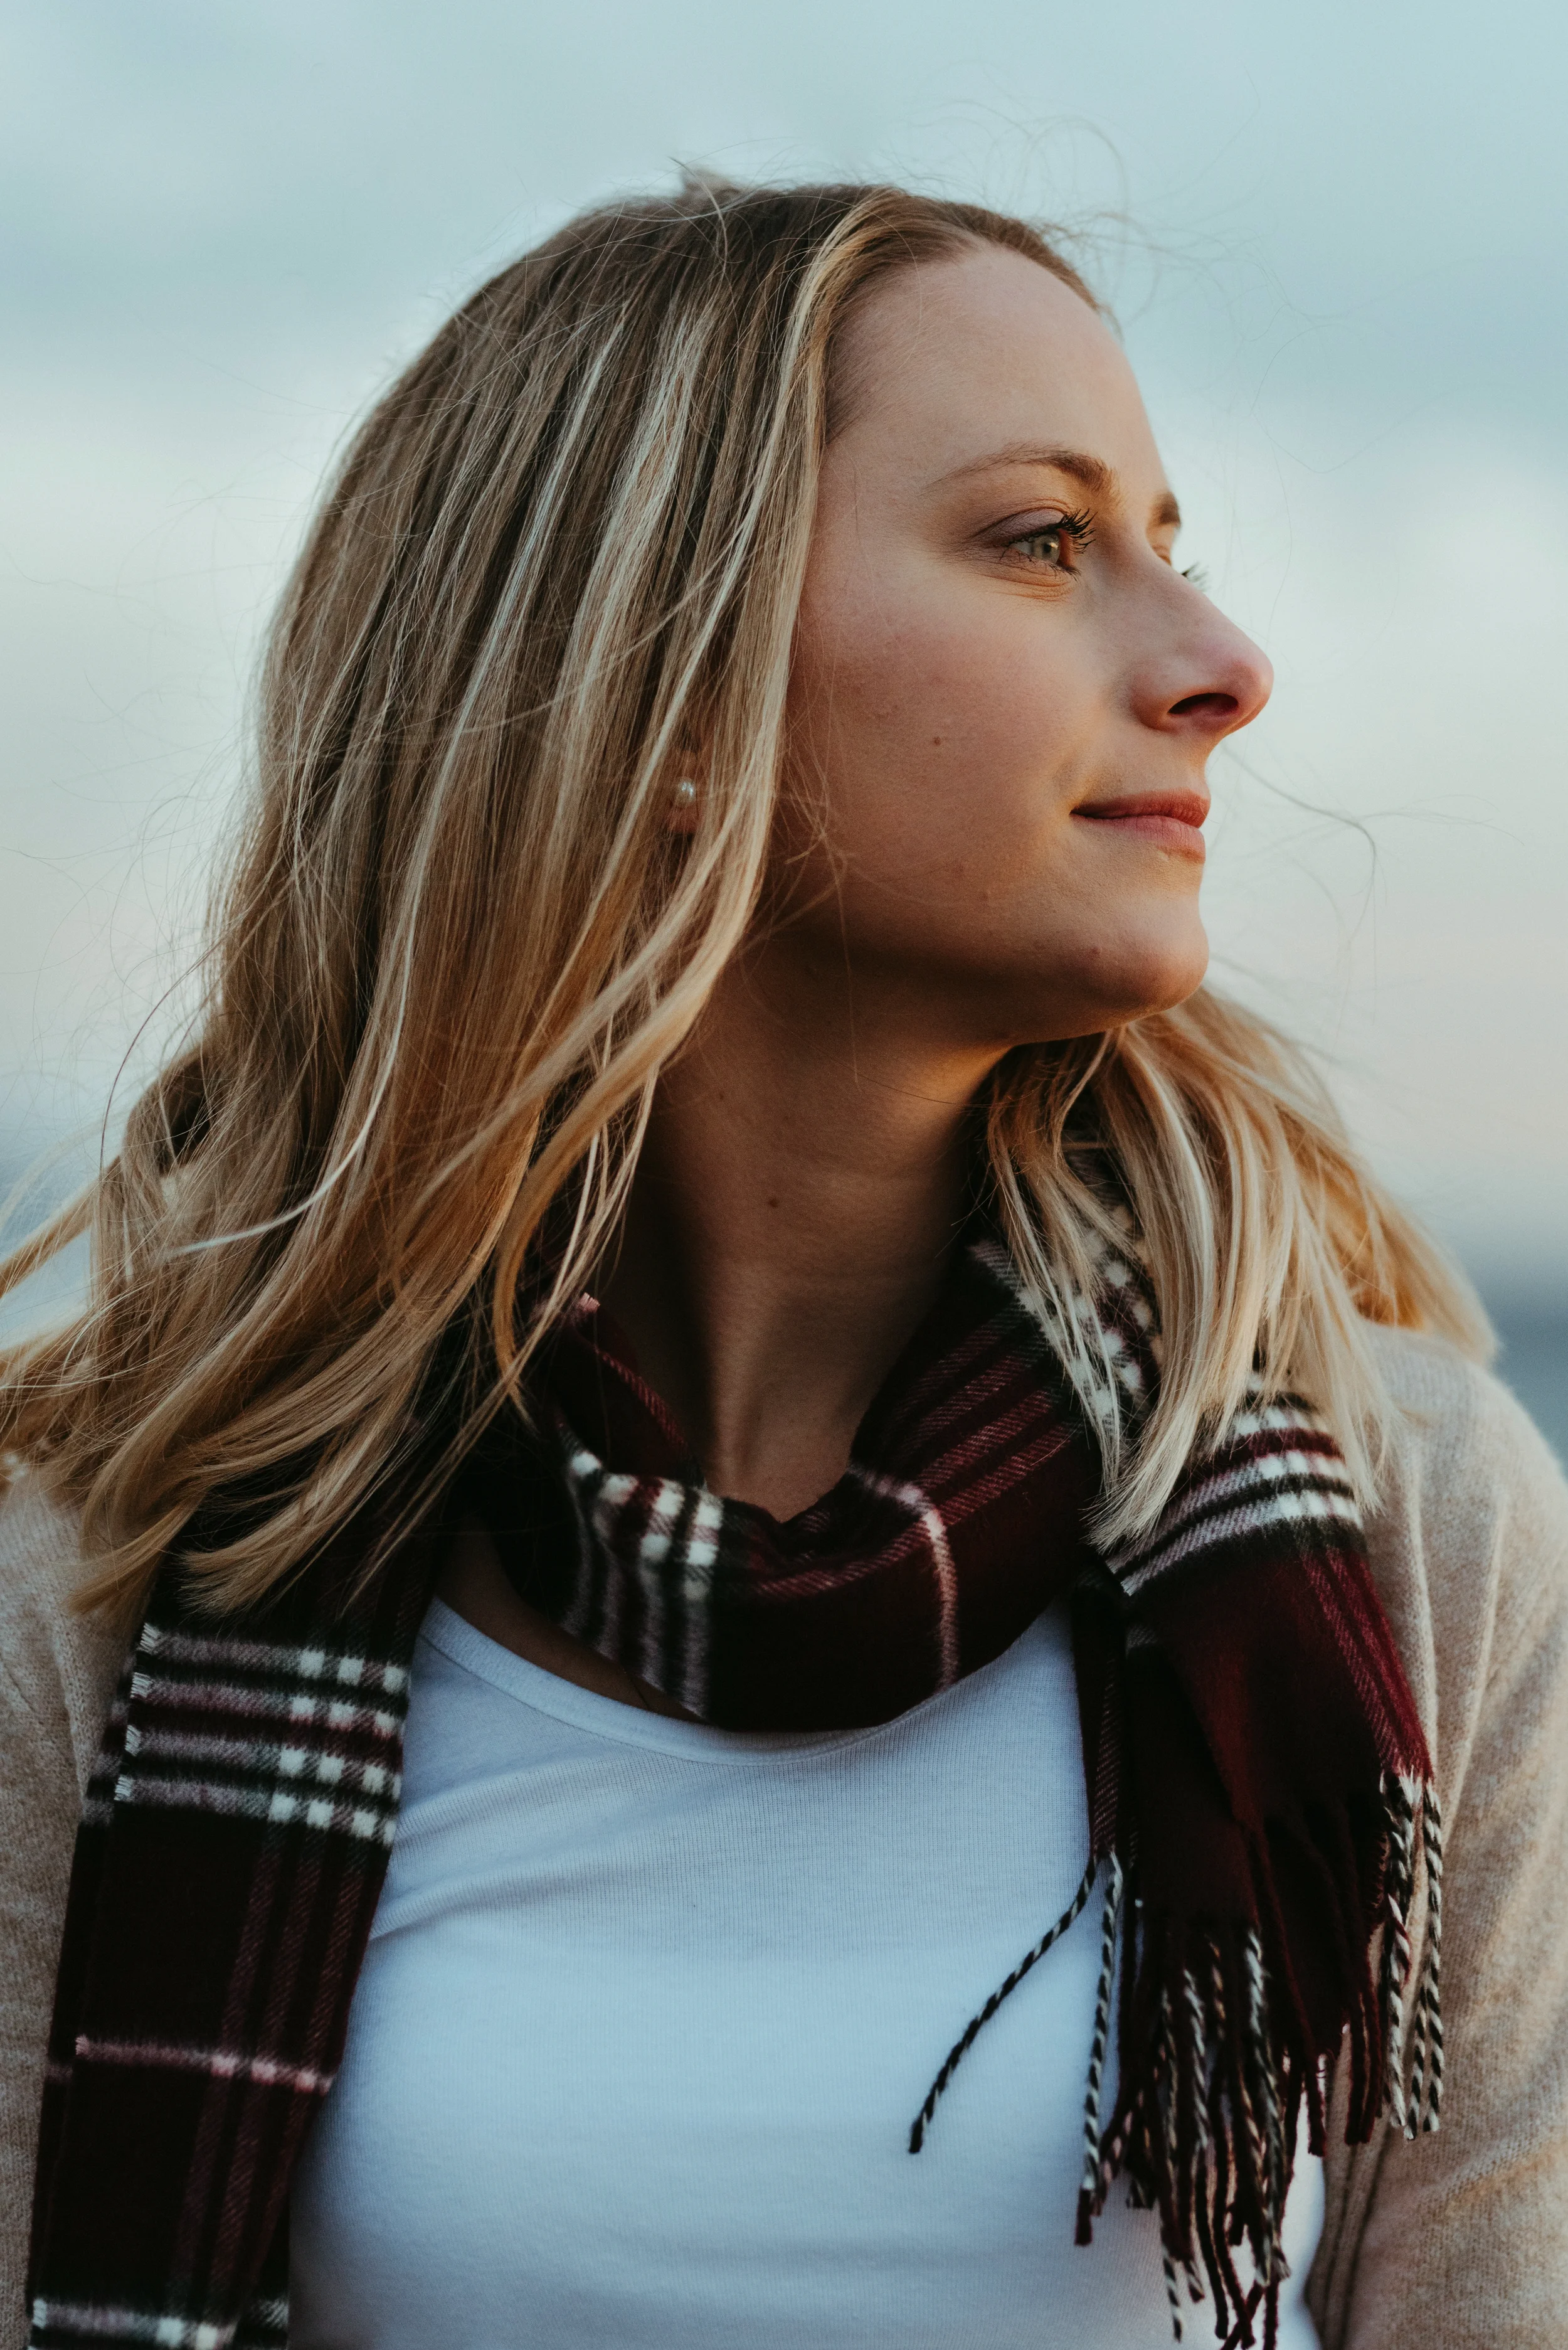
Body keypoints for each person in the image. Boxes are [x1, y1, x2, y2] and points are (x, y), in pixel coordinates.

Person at [2, 178, 1565, 2350]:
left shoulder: (1401, 1521)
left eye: (1169, 547)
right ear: (650, 692)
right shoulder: (108, 1562)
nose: (1218, 665)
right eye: (1041, 541)